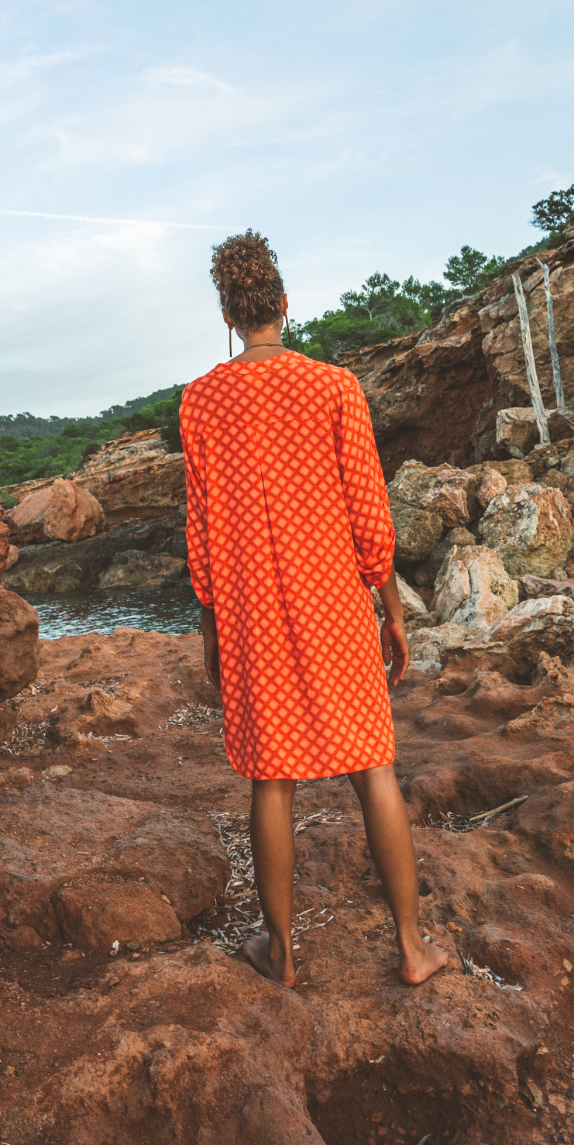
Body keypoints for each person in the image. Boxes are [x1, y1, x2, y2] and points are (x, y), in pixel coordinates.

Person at [178, 229, 447, 990]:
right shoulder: (334, 387)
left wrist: (211, 627)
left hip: (254, 612)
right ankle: (411, 947)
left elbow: (200, 532)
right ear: (285, 307)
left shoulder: (201, 402)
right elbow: (370, 515)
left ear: (229, 316)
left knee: (271, 779)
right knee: (374, 769)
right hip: (334, 600)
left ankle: (283, 955)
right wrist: (390, 607)